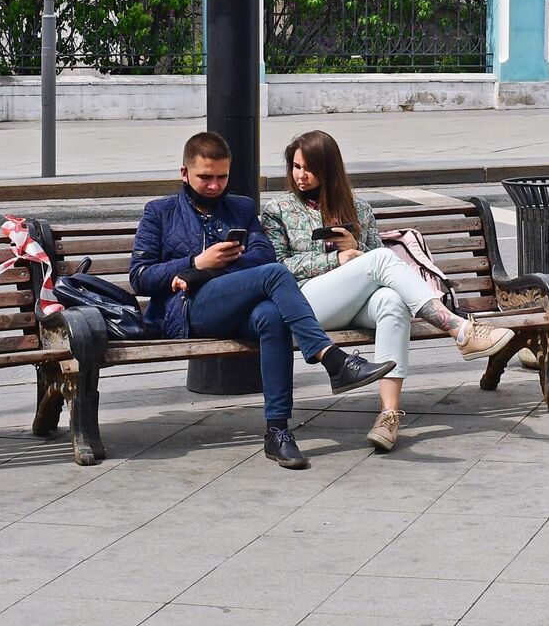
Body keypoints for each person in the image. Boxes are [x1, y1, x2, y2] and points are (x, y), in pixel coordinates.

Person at [130, 132, 395, 469]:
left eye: (222, 177)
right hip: (188, 311)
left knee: (272, 315)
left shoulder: (239, 208)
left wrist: (218, 268)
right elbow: (140, 276)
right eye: (205, 177)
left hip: (236, 305)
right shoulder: (159, 212)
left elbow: (261, 253)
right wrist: (197, 263)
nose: (214, 186)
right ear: (184, 173)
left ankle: (278, 431)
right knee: (274, 275)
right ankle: (331, 358)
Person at [259, 130, 513, 452]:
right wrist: (335, 258)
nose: (301, 175)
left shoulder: (358, 209)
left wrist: (356, 251)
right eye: (295, 167)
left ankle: (388, 415)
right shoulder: (279, 210)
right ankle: (459, 328)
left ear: (329, 168)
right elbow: (279, 268)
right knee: (380, 259)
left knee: (392, 300)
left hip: (353, 304)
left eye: (309, 168)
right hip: (304, 306)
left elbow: (381, 273)